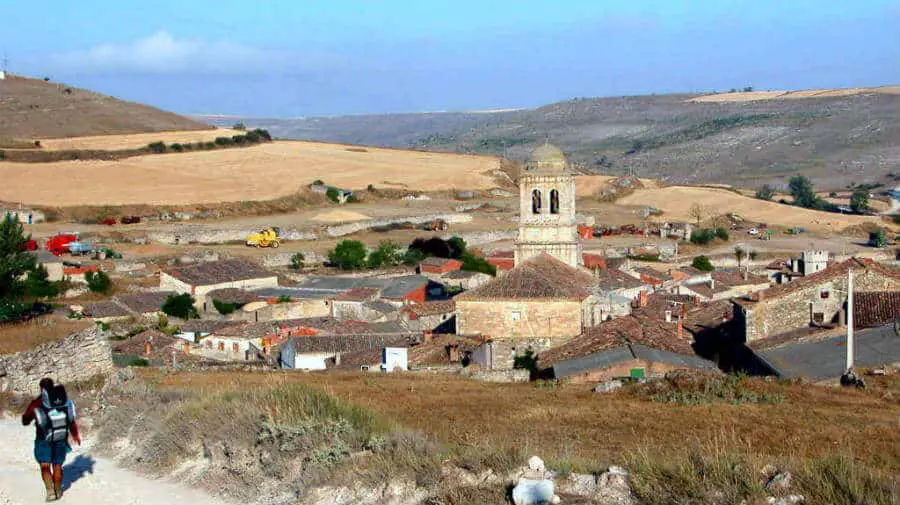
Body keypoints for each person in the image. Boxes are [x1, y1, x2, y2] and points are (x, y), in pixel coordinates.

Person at [21, 378, 81, 502]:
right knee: (57, 466)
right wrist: (75, 435)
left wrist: (28, 418)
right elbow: (71, 420)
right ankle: (58, 490)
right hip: (60, 438)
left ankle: (50, 492)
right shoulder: (62, 401)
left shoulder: (36, 403)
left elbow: (25, 420)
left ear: (41, 388)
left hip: (43, 439)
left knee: (45, 466)